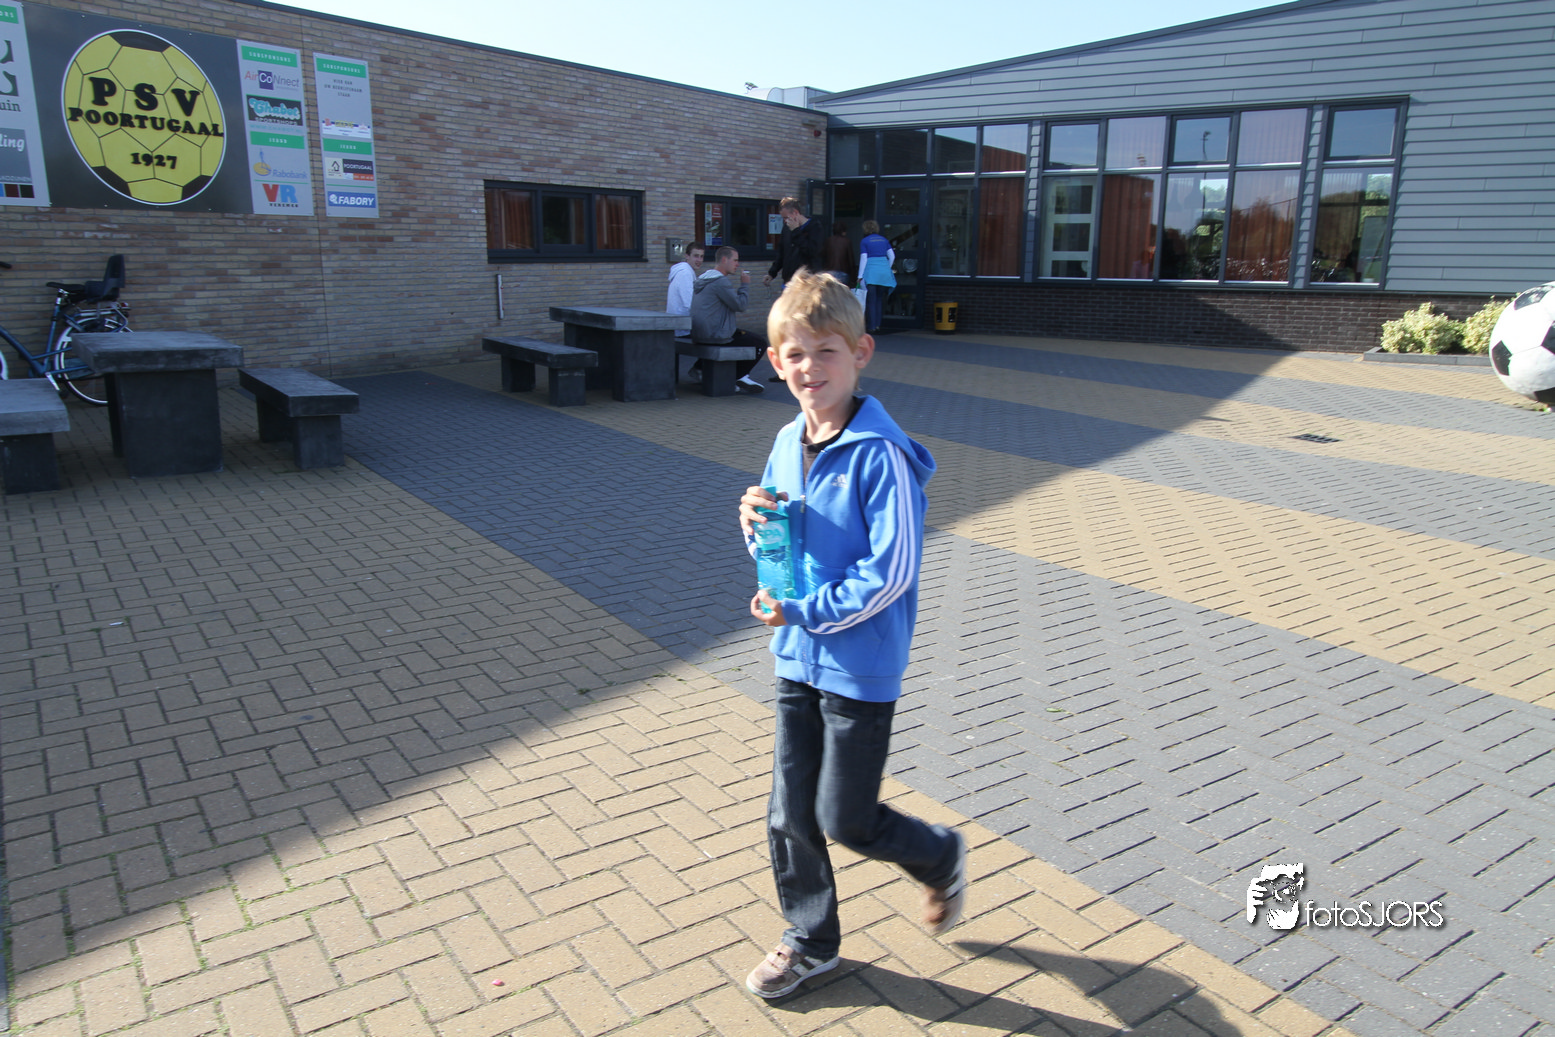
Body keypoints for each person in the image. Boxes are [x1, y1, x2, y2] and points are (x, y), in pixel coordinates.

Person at [736, 272, 965, 1000]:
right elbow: (779, 544)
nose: (811, 368)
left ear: (860, 353)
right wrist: (753, 525)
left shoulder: (879, 455)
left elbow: (890, 572)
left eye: (826, 351)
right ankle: (810, 941)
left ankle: (936, 854)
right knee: (788, 813)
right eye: (795, 354)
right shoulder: (785, 440)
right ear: (776, 362)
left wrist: (804, 612)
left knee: (845, 817)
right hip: (795, 658)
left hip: (858, 666)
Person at [691, 246, 766, 393]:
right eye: (735, 260)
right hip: (715, 335)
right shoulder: (720, 282)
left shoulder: (703, 278)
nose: (737, 264)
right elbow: (740, 305)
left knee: (740, 335)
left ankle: (699, 368)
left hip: (699, 334)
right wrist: (745, 284)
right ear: (724, 260)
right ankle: (737, 376)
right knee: (759, 343)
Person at [764, 197, 824, 289]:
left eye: (786, 217)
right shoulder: (786, 228)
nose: (785, 221)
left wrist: (796, 231)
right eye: (783, 218)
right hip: (789, 282)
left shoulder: (815, 227)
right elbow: (781, 253)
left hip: (806, 283)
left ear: (795, 212)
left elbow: (812, 252)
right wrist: (772, 273)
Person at [667, 241, 705, 381]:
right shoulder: (685, 274)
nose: (699, 260)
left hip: (681, 326)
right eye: (696, 256)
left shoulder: (686, 272)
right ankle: (700, 369)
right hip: (682, 329)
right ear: (687, 256)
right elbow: (690, 304)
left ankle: (701, 369)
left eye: (701, 256)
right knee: (718, 337)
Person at [857, 220, 896, 334]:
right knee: (879, 300)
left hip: (871, 274)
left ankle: (872, 326)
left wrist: (860, 276)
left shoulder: (865, 241)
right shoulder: (884, 240)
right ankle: (878, 325)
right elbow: (892, 256)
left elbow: (864, 258)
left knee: (871, 301)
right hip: (884, 274)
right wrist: (887, 267)